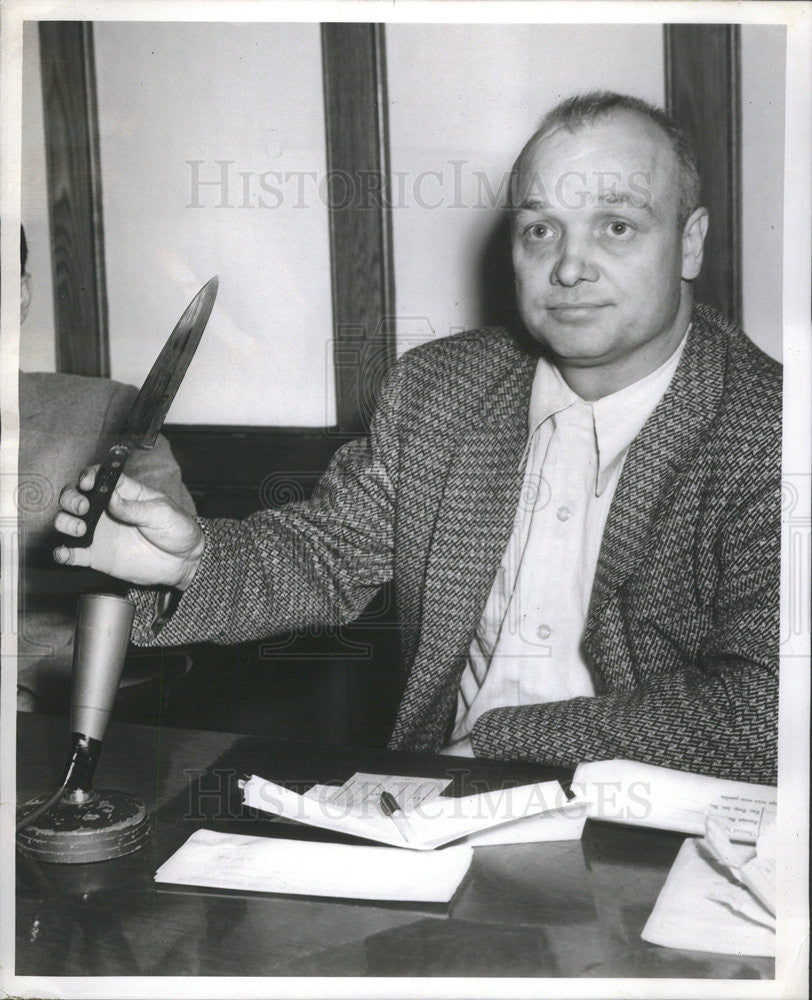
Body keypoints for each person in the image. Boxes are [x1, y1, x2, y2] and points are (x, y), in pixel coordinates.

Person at [53, 92, 780, 783]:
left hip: (668, 844)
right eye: (540, 229)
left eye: (616, 225)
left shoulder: (773, 428)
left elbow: (766, 712)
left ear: (689, 243)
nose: (567, 266)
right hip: (436, 825)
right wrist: (193, 559)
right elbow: (326, 557)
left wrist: (499, 743)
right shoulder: (440, 391)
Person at [12, 223, 196, 709]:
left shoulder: (108, 415)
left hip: (44, 720)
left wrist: (36, 688)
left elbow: (172, 609)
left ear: (20, 293)